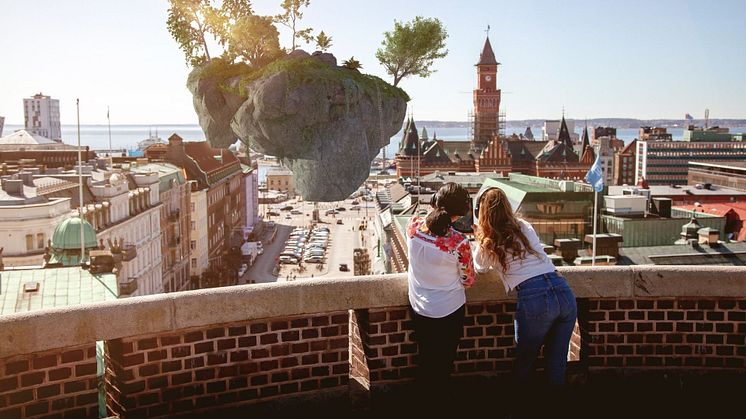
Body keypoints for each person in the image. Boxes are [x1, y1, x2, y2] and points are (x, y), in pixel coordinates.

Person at [472, 187, 577, 389]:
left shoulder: (488, 241)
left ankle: (519, 406)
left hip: (534, 296)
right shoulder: (524, 226)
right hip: (562, 289)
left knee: (525, 362)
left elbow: (480, 269)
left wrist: (479, 232)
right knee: (557, 361)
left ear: (481, 212)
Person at [406, 182, 474, 405]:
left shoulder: (413, 227)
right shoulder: (460, 243)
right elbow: (468, 280)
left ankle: (423, 399)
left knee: (425, 356)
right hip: (448, 309)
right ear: (459, 214)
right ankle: (439, 401)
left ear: (434, 201)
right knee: (444, 360)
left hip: (418, 306)